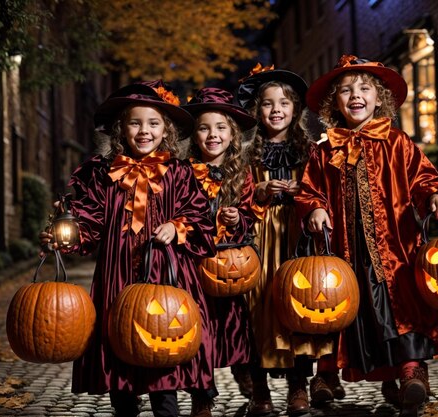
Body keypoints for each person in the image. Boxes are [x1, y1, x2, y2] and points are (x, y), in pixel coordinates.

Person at [40, 80, 217, 417]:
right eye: (135, 122)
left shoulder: (178, 172)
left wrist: (177, 225)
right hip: (116, 276)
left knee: (164, 349)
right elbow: (88, 224)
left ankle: (167, 410)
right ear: (121, 128)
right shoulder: (104, 175)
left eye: (153, 123)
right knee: (119, 346)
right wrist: (65, 236)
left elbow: (199, 217)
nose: (144, 130)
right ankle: (125, 406)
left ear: (165, 129)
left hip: (167, 277)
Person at [296, 54, 438, 417]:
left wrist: (436, 195)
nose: (356, 95)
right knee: (340, 305)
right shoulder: (325, 151)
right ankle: (326, 372)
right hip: (343, 248)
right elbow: (309, 190)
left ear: (378, 97)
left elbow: (422, 177)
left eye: (364, 88)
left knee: (402, 303)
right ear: (334, 102)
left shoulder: (397, 142)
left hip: (394, 245)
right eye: (347, 89)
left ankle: (411, 371)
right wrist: (314, 207)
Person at [237, 64, 342, 416]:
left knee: (300, 307)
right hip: (261, 236)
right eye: (267, 104)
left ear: (295, 109)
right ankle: (260, 392)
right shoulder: (247, 153)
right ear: (257, 110)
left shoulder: (311, 150)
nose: (276, 109)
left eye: (284, 102)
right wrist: (261, 192)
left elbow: (327, 195)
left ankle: (299, 387)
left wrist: (305, 194)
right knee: (259, 310)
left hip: (298, 238)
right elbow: (235, 197)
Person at [182, 87, 262, 415]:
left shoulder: (242, 175)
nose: (212, 135)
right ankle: (201, 395)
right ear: (194, 134)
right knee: (198, 332)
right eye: (204, 128)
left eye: (220, 128)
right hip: (193, 264)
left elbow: (250, 215)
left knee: (235, 326)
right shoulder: (182, 172)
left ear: (232, 134)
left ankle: (243, 369)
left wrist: (237, 218)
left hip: (229, 262)